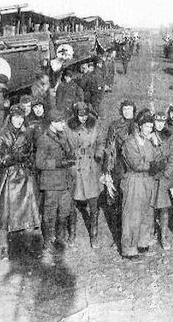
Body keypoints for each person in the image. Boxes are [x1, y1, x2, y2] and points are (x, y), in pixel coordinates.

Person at [0, 105, 39, 261]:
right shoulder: (0, 136)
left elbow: (31, 154)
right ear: (10, 118)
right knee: (8, 215)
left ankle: (24, 246)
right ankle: (6, 247)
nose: (19, 120)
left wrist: (30, 165)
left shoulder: (26, 135)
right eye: (16, 117)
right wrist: (13, 157)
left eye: (21, 117)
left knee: (26, 213)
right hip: (8, 178)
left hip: (24, 177)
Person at [36, 109, 75, 263]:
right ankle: (48, 242)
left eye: (63, 121)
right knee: (50, 212)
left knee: (64, 211)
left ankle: (60, 238)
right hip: (51, 182)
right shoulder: (44, 139)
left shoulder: (63, 136)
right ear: (52, 123)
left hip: (64, 182)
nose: (63, 124)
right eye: (60, 122)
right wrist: (59, 163)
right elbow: (39, 163)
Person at [120, 110, 160, 259]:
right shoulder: (130, 142)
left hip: (147, 180)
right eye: (147, 127)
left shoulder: (149, 142)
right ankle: (129, 247)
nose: (149, 130)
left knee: (146, 212)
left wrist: (156, 145)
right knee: (132, 214)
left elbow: (157, 157)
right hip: (134, 180)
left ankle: (143, 241)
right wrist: (153, 165)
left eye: (151, 127)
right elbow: (136, 163)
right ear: (139, 126)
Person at [65, 102, 104, 248]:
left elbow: (101, 142)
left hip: (90, 167)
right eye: (80, 115)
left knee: (94, 204)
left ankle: (94, 236)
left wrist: (98, 155)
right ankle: (72, 234)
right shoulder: (68, 127)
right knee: (72, 203)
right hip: (75, 167)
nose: (83, 118)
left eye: (85, 115)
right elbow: (65, 144)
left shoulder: (94, 125)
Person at [102, 99, 136, 246]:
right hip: (118, 167)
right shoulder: (114, 126)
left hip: (133, 169)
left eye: (130, 109)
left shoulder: (138, 125)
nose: (127, 112)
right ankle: (117, 235)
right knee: (116, 202)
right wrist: (106, 169)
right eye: (124, 109)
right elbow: (108, 148)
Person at [150, 111, 173, 250]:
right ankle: (150, 233)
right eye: (157, 122)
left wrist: (167, 173)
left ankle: (163, 236)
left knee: (164, 209)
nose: (160, 124)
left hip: (164, 178)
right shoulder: (148, 135)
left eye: (162, 122)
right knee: (150, 207)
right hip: (151, 176)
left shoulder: (170, 137)